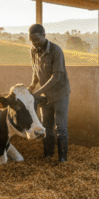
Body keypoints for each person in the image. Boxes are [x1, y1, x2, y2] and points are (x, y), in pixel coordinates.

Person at [28, 24, 71, 162]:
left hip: (60, 94)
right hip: (45, 96)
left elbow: (57, 76)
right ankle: (48, 155)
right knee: (46, 127)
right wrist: (32, 86)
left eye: (36, 38)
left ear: (44, 36)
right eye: (31, 39)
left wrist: (39, 92)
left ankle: (62, 159)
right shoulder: (33, 51)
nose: (34, 42)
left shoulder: (55, 50)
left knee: (60, 127)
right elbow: (36, 70)